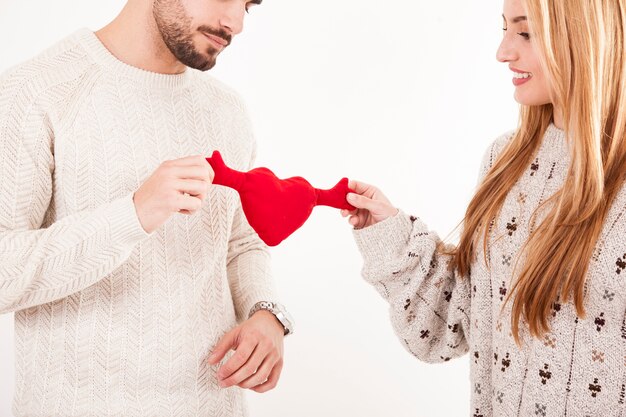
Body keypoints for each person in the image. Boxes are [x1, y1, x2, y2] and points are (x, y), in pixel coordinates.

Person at [0, 0, 294, 416]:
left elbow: (239, 241)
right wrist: (133, 215)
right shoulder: (35, 92)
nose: (237, 23)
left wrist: (265, 311)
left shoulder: (227, 110)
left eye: (249, 5)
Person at [342, 0, 626, 415]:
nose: (503, 51)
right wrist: (392, 235)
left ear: (585, 35)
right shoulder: (505, 160)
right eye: (505, 29)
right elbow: (452, 324)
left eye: (525, 32)